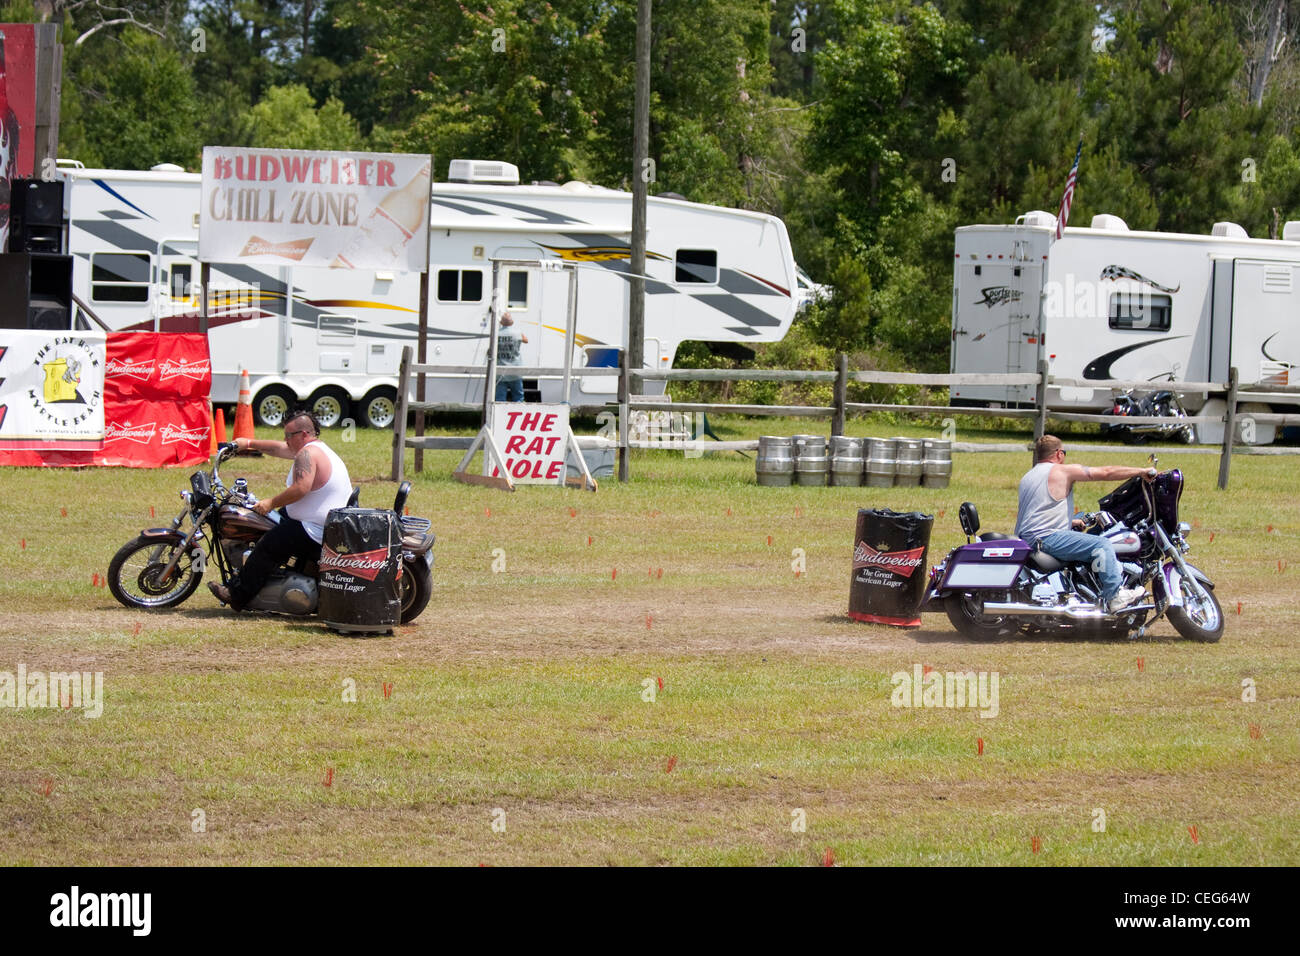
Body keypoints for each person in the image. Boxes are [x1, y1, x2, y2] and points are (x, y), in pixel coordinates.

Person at [208, 409, 352, 612]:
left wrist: (271, 502)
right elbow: (277, 449)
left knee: (269, 545)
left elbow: (301, 487)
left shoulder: (307, 453)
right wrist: (248, 444)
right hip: (320, 522)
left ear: (303, 434)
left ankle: (238, 595)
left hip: (314, 528)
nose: (286, 440)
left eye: (289, 435)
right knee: (262, 524)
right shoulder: (316, 448)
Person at [1014, 435, 1156, 613]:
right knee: (1102, 544)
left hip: (1027, 537)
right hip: (1046, 538)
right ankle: (1115, 596)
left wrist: (1071, 521)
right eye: (1064, 452)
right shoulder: (1061, 471)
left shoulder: (1029, 476)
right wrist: (1141, 471)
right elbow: (1105, 472)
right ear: (1059, 454)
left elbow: (1038, 510)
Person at [494, 312, 528, 402]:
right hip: (515, 370)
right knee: (518, 397)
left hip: (500, 371)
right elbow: (526, 340)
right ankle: (518, 414)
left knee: (500, 398)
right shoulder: (518, 333)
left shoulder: (496, 334)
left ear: (501, 323)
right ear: (512, 323)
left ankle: (499, 415)